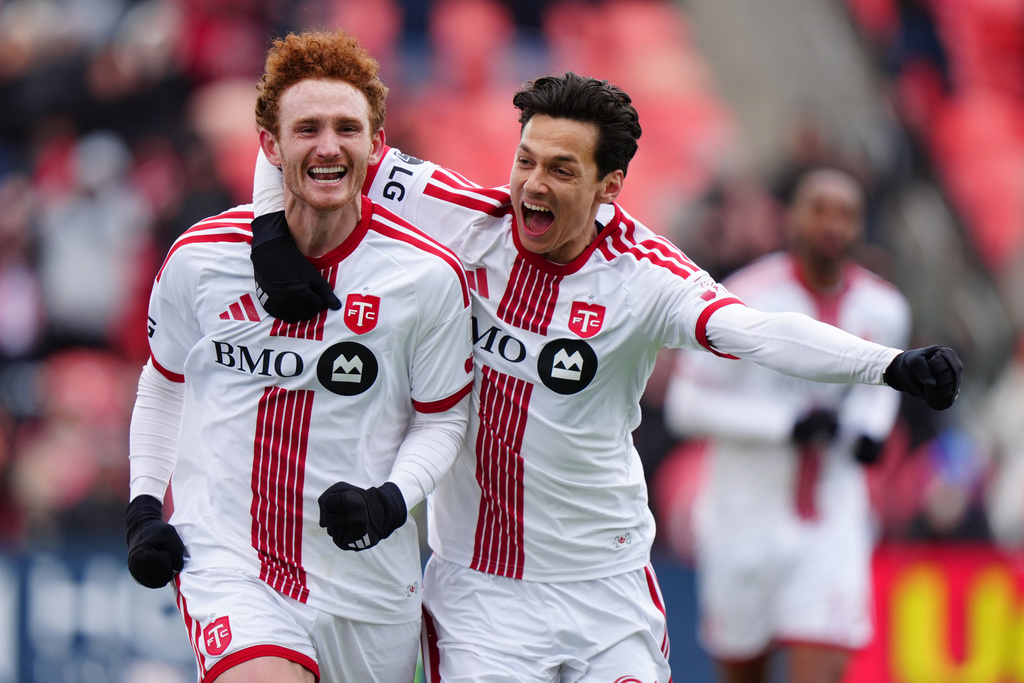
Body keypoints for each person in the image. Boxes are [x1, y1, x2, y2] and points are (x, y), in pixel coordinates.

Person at [249, 70, 962, 682]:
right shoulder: (460, 216)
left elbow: (755, 330)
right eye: (525, 159)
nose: (532, 182)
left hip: (605, 587)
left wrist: (887, 365)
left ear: (609, 184)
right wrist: (269, 234)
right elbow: (295, 134)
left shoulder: (644, 277)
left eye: (562, 169)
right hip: (479, 590)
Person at [124, 30, 473, 683]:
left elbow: (441, 420)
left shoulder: (426, 276)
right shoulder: (200, 258)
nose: (328, 145)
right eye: (307, 127)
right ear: (270, 145)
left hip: (368, 586)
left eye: (347, 127)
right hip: (233, 560)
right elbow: (163, 381)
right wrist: (145, 505)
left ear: (375, 145)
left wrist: (391, 500)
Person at [662, 166, 911, 683]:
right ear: (792, 217)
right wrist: (784, 425)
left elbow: (879, 393)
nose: (831, 224)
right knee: (742, 670)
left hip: (834, 519)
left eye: (845, 213)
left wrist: (871, 430)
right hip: (744, 520)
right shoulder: (743, 299)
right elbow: (685, 405)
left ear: (860, 225)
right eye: (819, 208)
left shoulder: (884, 308)